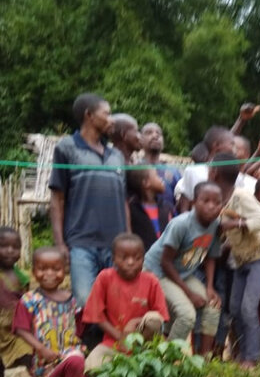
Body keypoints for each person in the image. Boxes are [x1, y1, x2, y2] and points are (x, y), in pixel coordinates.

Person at [49, 92, 128, 308]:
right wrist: (60, 244)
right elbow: (57, 199)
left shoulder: (116, 156)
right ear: (89, 115)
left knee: (116, 304)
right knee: (85, 304)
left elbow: (124, 203)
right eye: (107, 114)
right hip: (81, 244)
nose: (112, 119)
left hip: (116, 245)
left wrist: (128, 239)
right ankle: (87, 343)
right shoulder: (66, 148)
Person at [213, 158, 260, 368]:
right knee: (234, 308)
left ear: (215, 173)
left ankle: (252, 356)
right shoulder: (218, 198)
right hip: (241, 258)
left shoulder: (239, 196)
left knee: (248, 307)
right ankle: (242, 352)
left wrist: (238, 223)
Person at [144, 182, 222, 353]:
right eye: (205, 200)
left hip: (182, 273)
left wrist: (209, 287)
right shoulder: (181, 224)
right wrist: (189, 293)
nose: (212, 206)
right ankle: (166, 359)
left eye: (217, 202)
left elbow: (211, 256)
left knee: (213, 305)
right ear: (194, 202)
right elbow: (165, 262)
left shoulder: (215, 224)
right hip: (158, 272)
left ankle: (203, 361)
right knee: (187, 316)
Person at [83, 233, 169, 370]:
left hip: (145, 341)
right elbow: (96, 315)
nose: (130, 262)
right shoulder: (105, 278)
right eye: (124, 258)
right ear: (113, 259)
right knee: (91, 366)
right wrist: (120, 337)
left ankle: (148, 355)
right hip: (113, 341)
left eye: (137, 258)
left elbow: (160, 317)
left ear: (143, 259)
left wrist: (135, 324)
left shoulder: (151, 281)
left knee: (154, 319)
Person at [12, 247, 85, 377]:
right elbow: (20, 329)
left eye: (56, 269)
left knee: (77, 360)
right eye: (42, 269)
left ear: (65, 271)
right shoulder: (30, 300)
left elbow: (79, 329)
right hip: (44, 367)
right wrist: (40, 348)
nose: (50, 273)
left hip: (71, 358)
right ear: (33, 272)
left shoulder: (72, 300)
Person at [0, 227, 32, 377]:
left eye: (15, 247)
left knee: (27, 355)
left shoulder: (22, 277)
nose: (10, 251)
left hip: (15, 330)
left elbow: (27, 303)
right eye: (4, 246)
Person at [139, 122, 181, 215]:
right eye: (149, 133)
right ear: (140, 140)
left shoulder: (174, 171)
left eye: (159, 133)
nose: (155, 136)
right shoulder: (135, 169)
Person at [127, 168, 172, 251]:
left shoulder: (166, 207)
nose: (161, 179)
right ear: (146, 183)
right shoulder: (132, 209)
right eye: (157, 176)